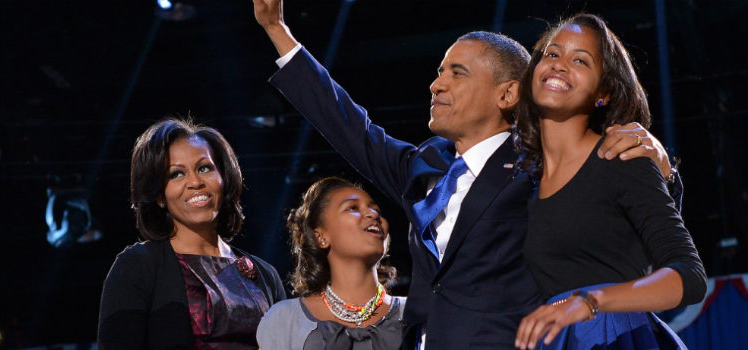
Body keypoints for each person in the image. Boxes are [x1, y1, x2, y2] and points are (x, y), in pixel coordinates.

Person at [252, 1, 679, 348]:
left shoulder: (543, 161)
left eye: (457, 73)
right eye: (440, 72)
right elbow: (349, 127)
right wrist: (278, 32)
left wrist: (660, 171)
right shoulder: (424, 165)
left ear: (508, 93)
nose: (437, 85)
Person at [513, 14, 706, 349]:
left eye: (580, 61)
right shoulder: (522, 184)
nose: (559, 65)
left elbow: (689, 276)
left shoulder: (622, 158)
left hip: (615, 336)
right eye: (552, 54)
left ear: (603, 93)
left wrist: (591, 300)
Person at [98, 118, 286, 349]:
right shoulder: (137, 266)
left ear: (224, 178)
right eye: (176, 174)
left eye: (204, 168)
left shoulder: (265, 275)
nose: (195, 182)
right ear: (159, 194)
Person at [257, 177, 406, 349]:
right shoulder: (285, 319)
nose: (373, 215)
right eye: (352, 208)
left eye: (376, 210)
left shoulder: (416, 314)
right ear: (321, 237)